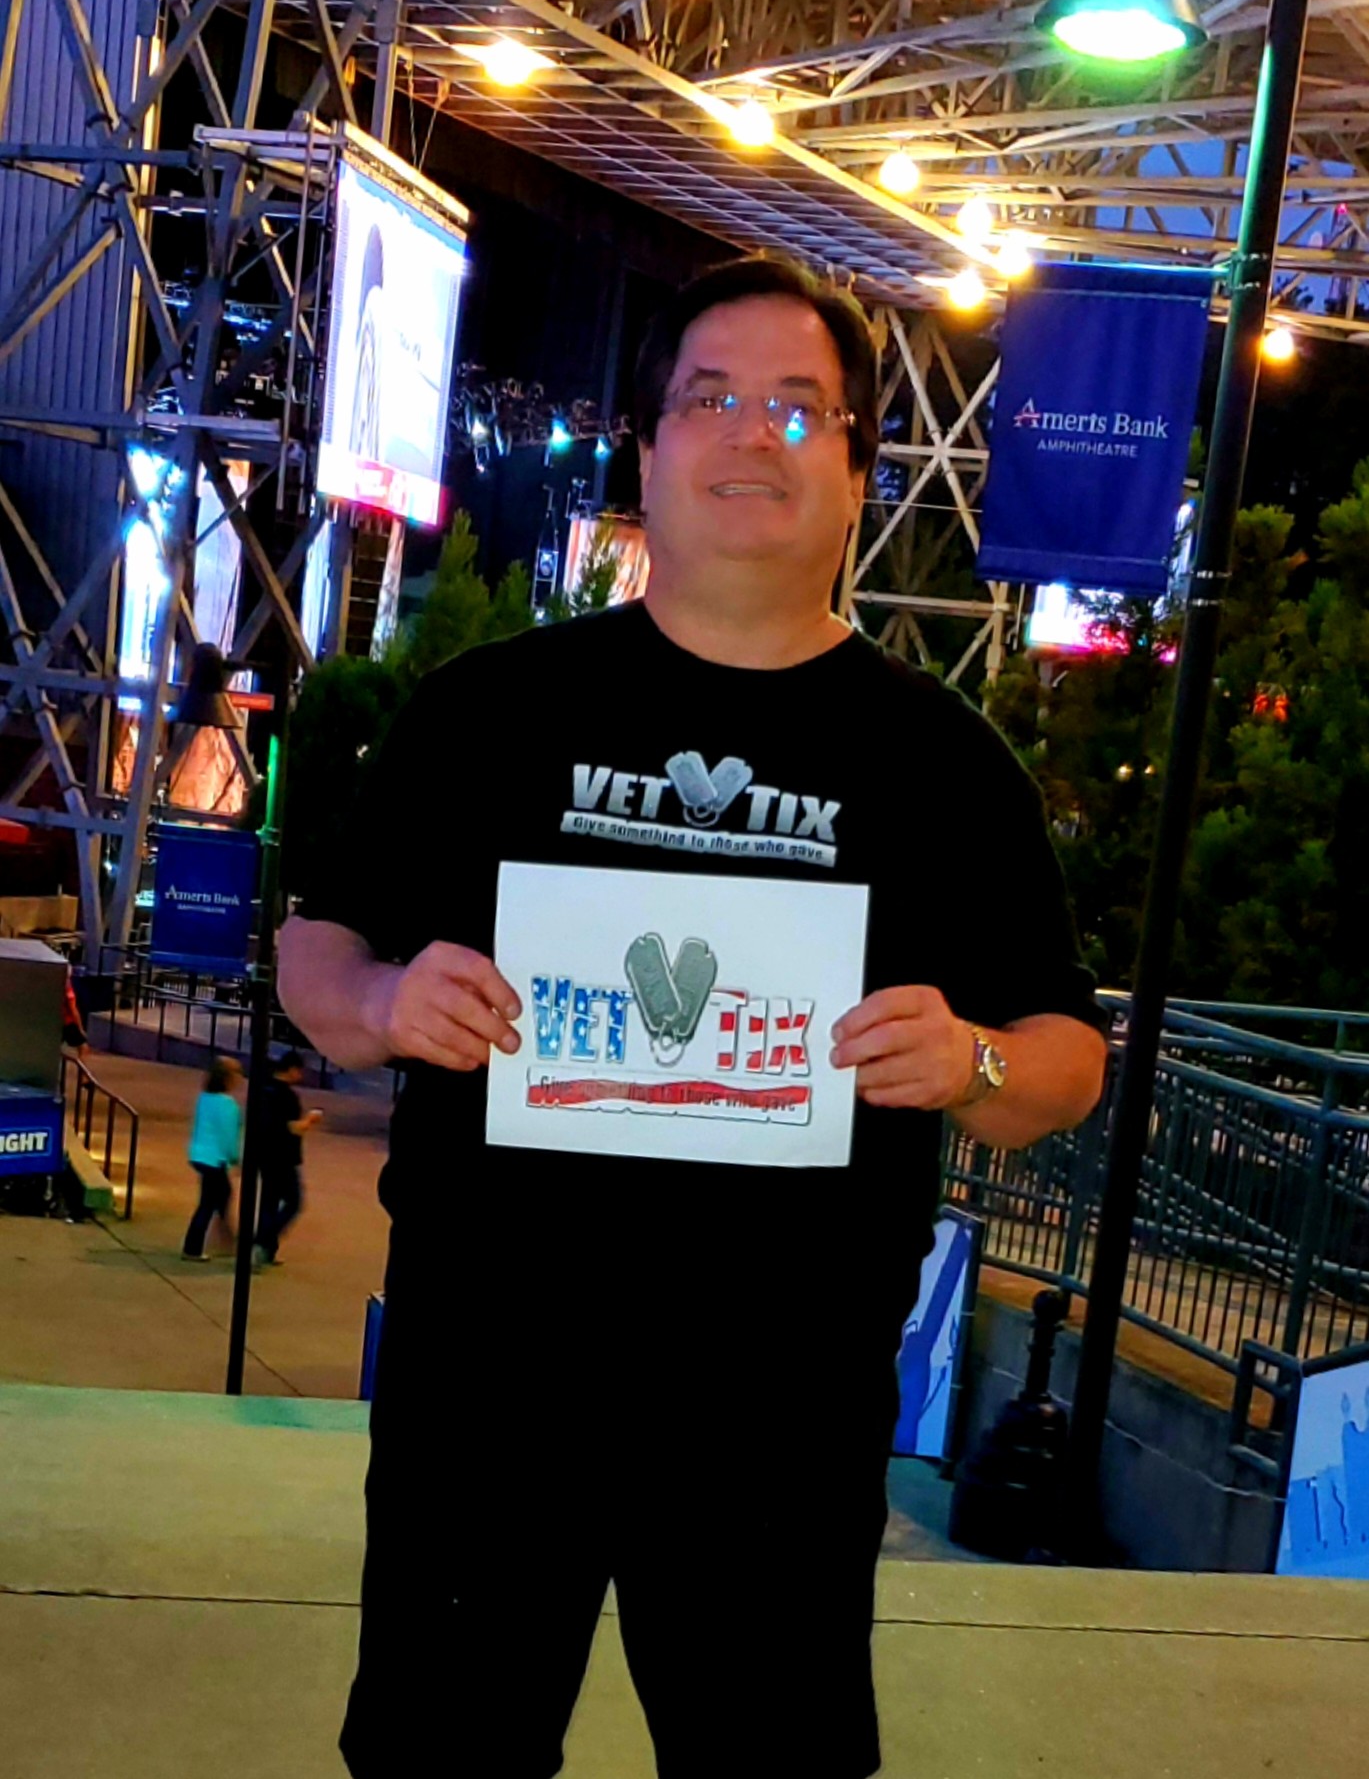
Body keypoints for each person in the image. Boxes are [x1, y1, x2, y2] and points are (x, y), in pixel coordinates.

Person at [279, 254, 1107, 1779]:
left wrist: (970, 1058)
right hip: (492, 1374)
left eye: (799, 409)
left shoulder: (945, 765)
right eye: (709, 397)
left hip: (781, 1403)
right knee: (439, 1751)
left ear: (857, 467)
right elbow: (318, 950)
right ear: (647, 446)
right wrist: (387, 998)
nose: (750, 433)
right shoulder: (488, 710)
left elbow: (1065, 1055)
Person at [252, 1047, 322, 1270]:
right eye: (299, 1071)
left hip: (265, 1154)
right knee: (294, 1201)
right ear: (291, 1069)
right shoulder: (287, 1096)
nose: (300, 1076)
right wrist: (310, 1120)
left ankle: (265, 1250)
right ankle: (263, 1241)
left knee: (269, 1202)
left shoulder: (264, 1089)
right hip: (284, 1156)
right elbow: (292, 1127)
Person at [181, 1055, 243, 1261]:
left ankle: (226, 1238)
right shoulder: (228, 1105)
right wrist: (234, 1157)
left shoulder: (204, 1098)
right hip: (214, 1158)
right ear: (228, 1078)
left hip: (200, 1155)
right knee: (210, 1202)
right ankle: (195, 1247)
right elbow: (228, 1136)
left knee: (220, 1195)